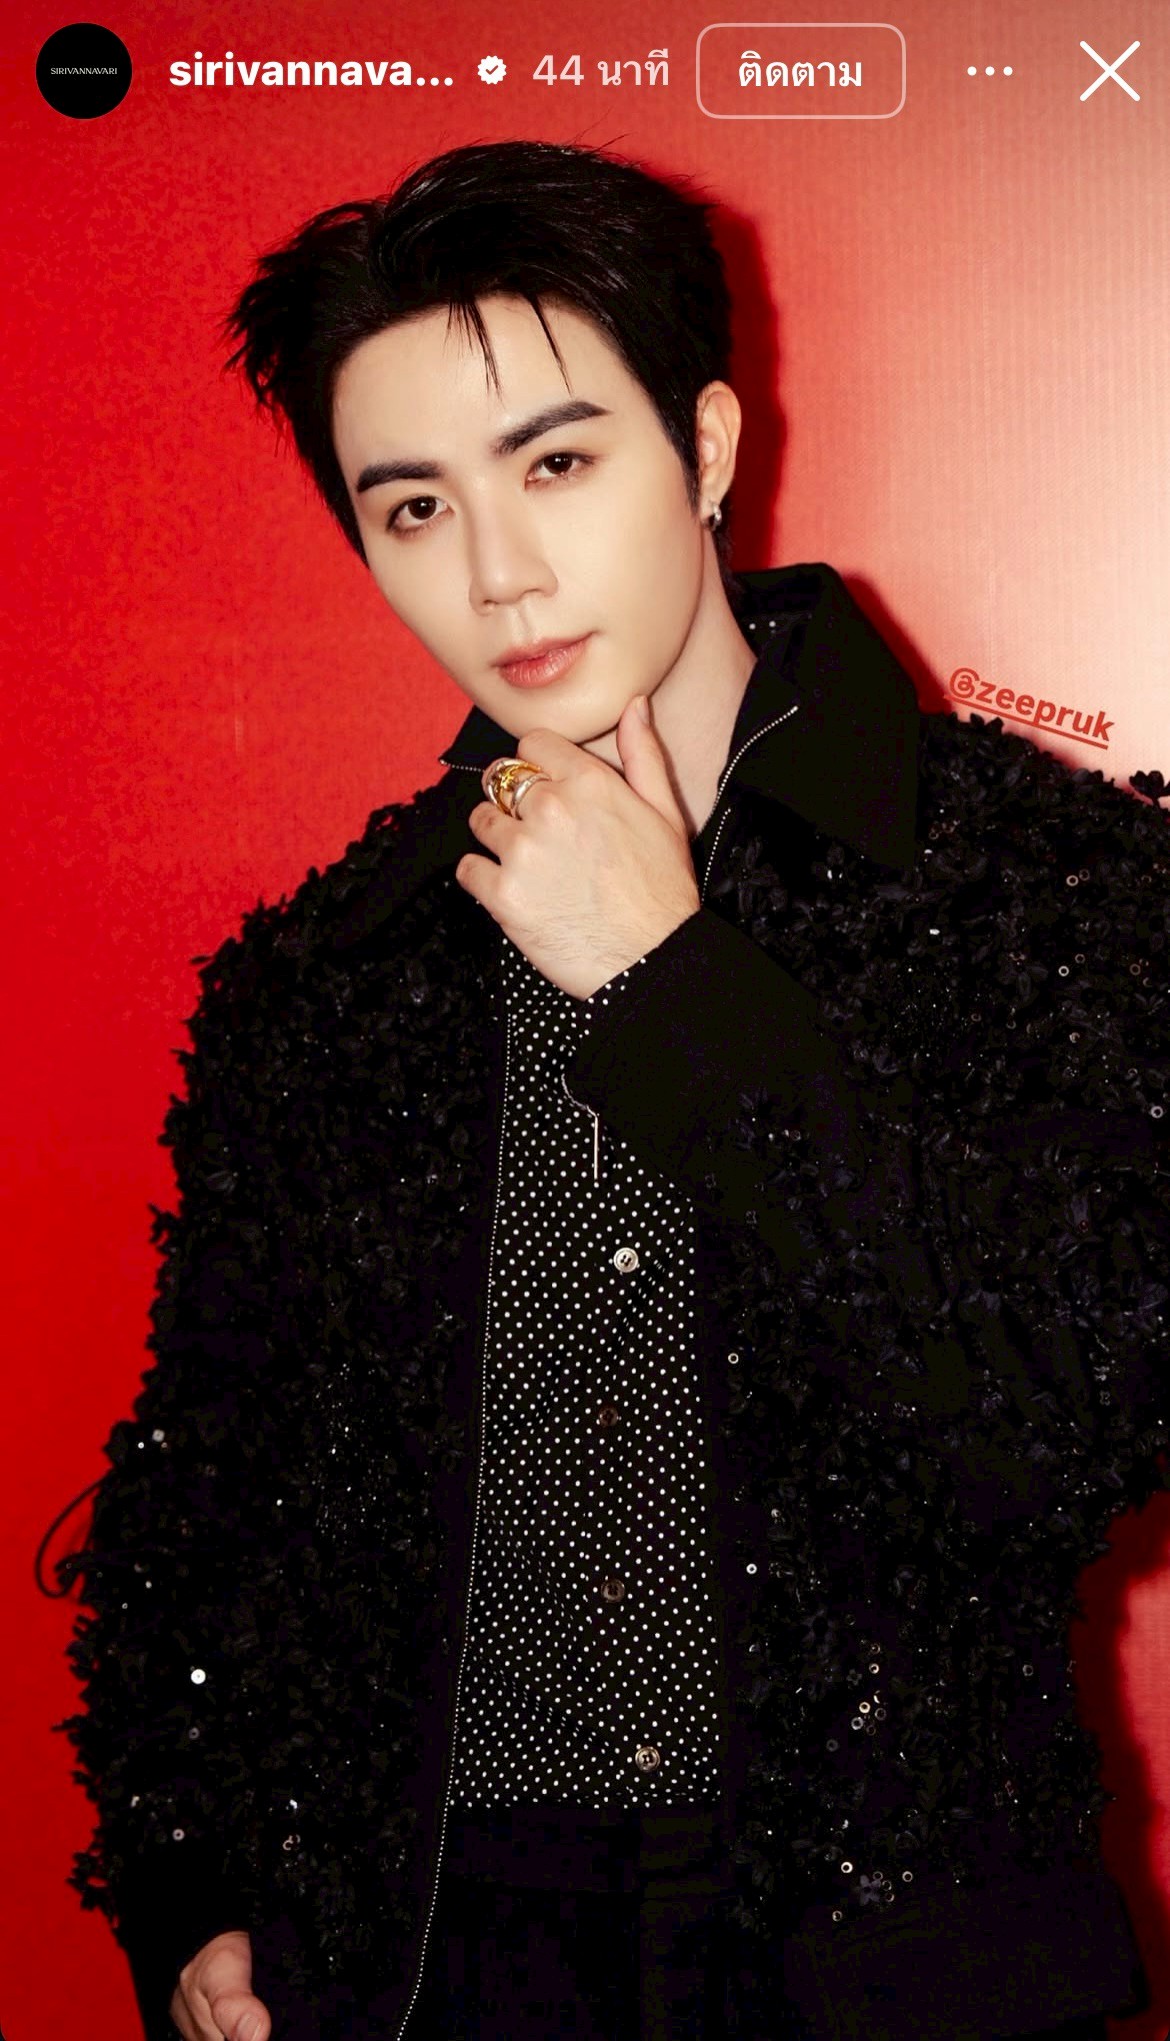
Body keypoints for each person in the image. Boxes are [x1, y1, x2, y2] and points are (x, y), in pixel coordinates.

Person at [59, 139, 1170, 2041]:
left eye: (557, 464)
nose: (496, 571)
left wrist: (672, 985)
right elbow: (206, 1484)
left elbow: (1062, 1418)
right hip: (432, 1961)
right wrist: (190, 1878)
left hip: (885, 1960)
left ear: (706, 447)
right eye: (413, 506)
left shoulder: (1036, 887)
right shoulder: (328, 974)